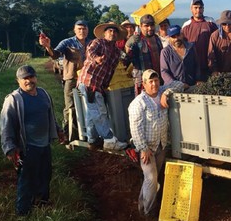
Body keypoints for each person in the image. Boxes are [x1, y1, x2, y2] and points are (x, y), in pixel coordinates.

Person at [0, 65, 65, 216]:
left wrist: (59, 131)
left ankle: (42, 204)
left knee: (45, 175)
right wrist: (10, 148)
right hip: (27, 147)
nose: (29, 81)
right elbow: (6, 125)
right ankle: (23, 212)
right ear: (18, 81)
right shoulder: (14, 99)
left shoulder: (43, 94)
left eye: (31, 77)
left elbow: (50, 117)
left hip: (44, 144)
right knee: (27, 179)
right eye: (25, 78)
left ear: (36, 77)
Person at [128, 69, 184, 221]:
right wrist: (143, 148)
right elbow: (135, 128)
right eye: (150, 81)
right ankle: (149, 213)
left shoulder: (161, 92)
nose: (154, 84)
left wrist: (168, 92)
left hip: (161, 144)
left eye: (156, 80)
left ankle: (142, 206)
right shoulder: (138, 104)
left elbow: (179, 83)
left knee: (151, 180)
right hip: (148, 149)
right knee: (152, 179)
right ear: (144, 84)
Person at [76, 22, 129, 151]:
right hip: (89, 81)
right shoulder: (98, 42)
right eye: (110, 31)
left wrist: (105, 86)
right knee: (99, 112)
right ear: (105, 33)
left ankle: (92, 140)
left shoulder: (116, 52)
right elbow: (90, 51)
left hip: (99, 85)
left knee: (91, 112)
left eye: (115, 32)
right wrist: (96, 59)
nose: (112, 33)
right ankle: (109, 139)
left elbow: (110, 71)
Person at [39, 20, 91, 143]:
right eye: (79, 29)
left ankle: (88, 133)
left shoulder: (92, 43)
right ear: (74, 30)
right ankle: (68, 134)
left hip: (88, 79)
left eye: (84, 29)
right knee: (70, 107)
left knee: (89, 105)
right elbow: (55, 55)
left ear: (87, 30)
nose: (82, 31)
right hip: (71, 79)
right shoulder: (67, 43)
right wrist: (47, 46)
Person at [182, 0, 218, 80]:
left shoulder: (210, 22)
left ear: (203, 9)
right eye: (195, 8)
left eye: (200, 7)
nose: (198, 10)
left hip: (209, 65)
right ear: (191, 9)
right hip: (192, 67)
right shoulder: (186, 26)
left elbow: (218, 41)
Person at [126, 14, 163, 95]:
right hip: (143, 80)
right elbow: (127, 56)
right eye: (146, 26)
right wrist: (128, 44)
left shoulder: (157, 39)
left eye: (152, 25)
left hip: (158, 78)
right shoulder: (136, 39)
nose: (150, 28)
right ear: (141, 26)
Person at [160, 25, 200, 90]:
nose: (176, 39)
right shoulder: (165, 52)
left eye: (178, 35)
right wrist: (177, 84)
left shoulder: (191, 48)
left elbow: (197, 65)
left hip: (192, 87)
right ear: (169, 38)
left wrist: (198, 79)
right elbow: (164, 72)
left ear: (182, 34)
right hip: (173, 89)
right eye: (173, 37)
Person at [208, 10, 231, 74]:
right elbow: (211, 56)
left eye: (230, 24)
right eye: (224, 24)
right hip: (219, 74)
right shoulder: (215, 36)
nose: (227, 26)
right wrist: (214, 71)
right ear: (221, 24)